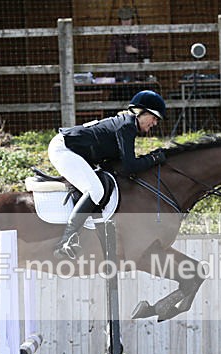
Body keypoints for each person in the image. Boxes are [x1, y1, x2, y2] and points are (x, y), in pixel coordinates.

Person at [48, 90, 166, 259]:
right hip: (63, 149)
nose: (154, 123)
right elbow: (130, 166)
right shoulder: (127, 126)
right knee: (95, 190)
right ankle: (65, 242)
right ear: (141, 112)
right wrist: (154, 158)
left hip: (73, 150)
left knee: (100, 188)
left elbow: (121, 165)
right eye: (154, 117)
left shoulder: (126, 124)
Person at [107, 7, 151, 83]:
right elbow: (111, 58)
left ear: (132, 19)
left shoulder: (140, 35)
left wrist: (136, 51)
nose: (126, 22)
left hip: (138, 75)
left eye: (128, 19)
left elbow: (149, 52)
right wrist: (108, 77)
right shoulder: (116, 37)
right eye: (124, 20)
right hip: (120, 75)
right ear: (120, 21)